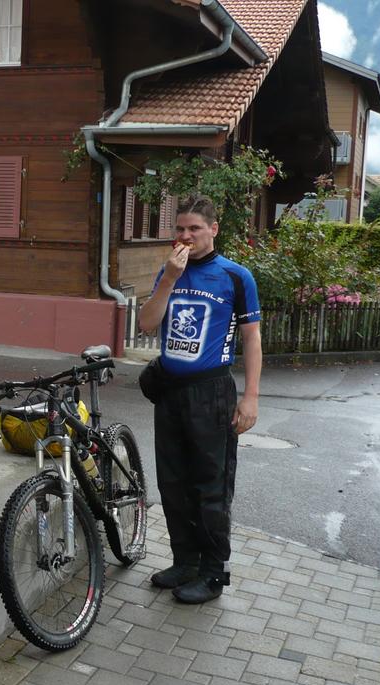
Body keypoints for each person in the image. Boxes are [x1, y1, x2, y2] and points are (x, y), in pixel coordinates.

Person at [137, 195, 262, 604]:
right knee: (173, 484)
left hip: (211, 393)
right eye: (180, 229)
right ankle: (184, 562)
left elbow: (252, 338)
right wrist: (170, 279)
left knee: (210, 487)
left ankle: (212, 574)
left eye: (194, 228)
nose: (186, 236)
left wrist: (250, 398)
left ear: (213, 229)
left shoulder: (236, 277)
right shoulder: (168, 272)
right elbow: (146, 323)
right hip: (171, 392)